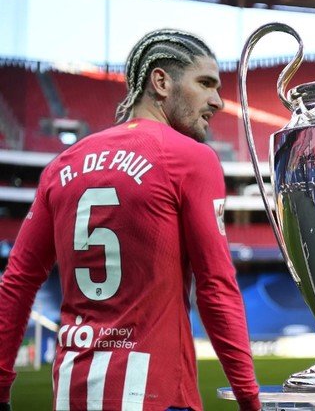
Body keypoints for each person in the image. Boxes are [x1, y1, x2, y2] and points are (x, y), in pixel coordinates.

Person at [0, 29, 261, 410]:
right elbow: (216, 286)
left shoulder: (61, 165)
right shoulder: (191, 158)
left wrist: (1, 385)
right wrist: (249, 397)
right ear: (161, 81)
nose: (218, 101)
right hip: (156, 394)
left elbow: (18, 282)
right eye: (205, 83)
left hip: (74, 394)